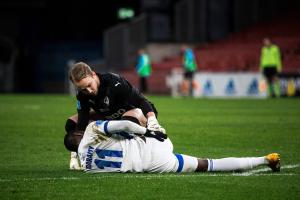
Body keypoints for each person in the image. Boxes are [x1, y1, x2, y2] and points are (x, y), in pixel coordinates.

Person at [64, 109, 281, 173]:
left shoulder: (89, 168)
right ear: (79, 135)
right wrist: (148, 131)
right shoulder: (91, 131)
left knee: (208, 164)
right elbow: (126, 125)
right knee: (136, 112)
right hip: (151, 144)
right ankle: (152, 116)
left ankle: (265, 159)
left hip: (153, 165)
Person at [66, 62, 165, 169]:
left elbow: (141, 101)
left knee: (128, 120)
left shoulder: (114, 83)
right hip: (109, 118)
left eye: (89, 85)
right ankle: (85, 156)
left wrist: (152, 119)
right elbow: (82, 122)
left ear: (93, 75)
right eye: (83, 89)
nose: (89, 91)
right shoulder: (82, 95)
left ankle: (140, 153)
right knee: (71, 123)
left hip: (136, 115)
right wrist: (75, 154)